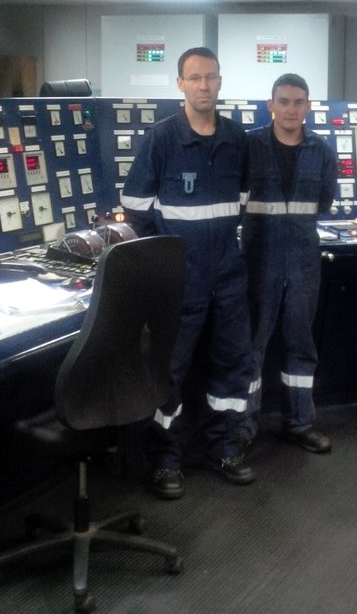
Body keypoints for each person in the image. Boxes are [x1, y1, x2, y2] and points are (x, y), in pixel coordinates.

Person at [120, 47, 255, 499]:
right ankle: (166, 459)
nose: (203, 86)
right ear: (180, 83)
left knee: (233, 364)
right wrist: (166, 252)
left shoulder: (237, 138)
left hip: (228, 272)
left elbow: (244, 197)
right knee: (171, 371)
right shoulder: (161, 139)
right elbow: (136, 206)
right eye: (194, 78)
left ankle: (224, 448)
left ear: (220, 82)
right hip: (181, 275)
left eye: (211, 77)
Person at [240, 73, 339, 454]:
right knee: (252, 347)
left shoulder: (322, 151)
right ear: (271, 106)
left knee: (301, 345)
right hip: (258, 260)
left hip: (302, 261)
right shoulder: (250, 147)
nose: (291, 109)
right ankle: (243, 428)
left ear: (308, 106)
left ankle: (299, 423)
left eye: (298, 102)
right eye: (284, 101)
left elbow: (325, 202)